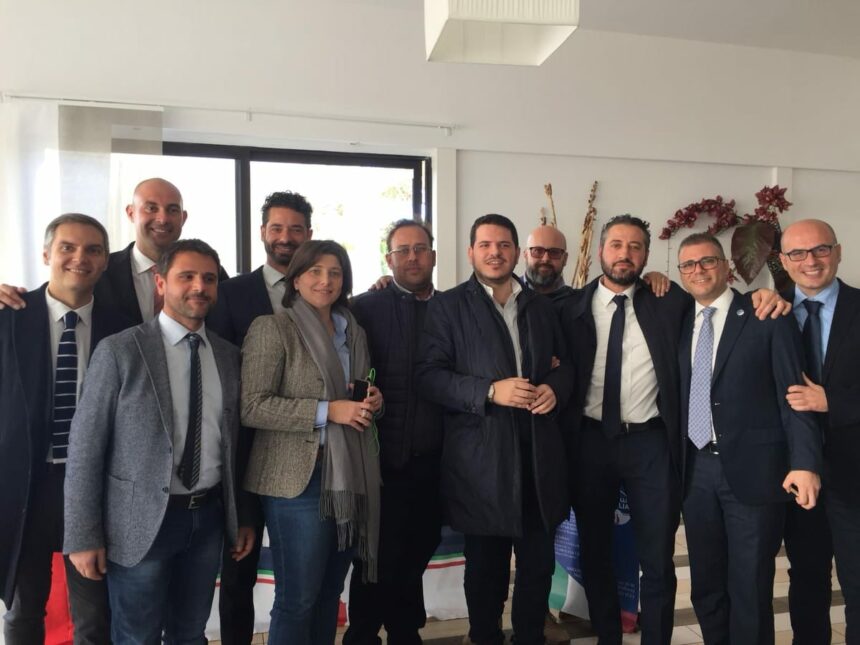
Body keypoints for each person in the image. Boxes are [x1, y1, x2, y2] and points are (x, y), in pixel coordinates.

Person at [557, 214, 789, 645]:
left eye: (635, 247)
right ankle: (609, 635)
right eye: (617, 244)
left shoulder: (669, 301)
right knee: (596, 551)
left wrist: (764, 294)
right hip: (590, 442)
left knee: (657, 557)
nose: (625, 254)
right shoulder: (569, 308)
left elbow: (720, 303)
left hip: (652, 444)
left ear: (647, 256)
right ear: (601, 250)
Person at [63, 239, 257, 644]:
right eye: (187, 276)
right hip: (138, 523)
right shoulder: (119, 350)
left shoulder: (228, 356)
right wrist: (82, 536)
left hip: (207, 519)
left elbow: (235, 447)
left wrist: (241, 516)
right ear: (161, 283)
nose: (199, 287)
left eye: (209, 278)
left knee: (190, 633)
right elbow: (84, 448)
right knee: (137, 636)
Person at [416, 214, 574, 645]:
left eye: (503, 245)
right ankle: (484, 636)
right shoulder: (448, 306)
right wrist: (489, 391)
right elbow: (429, 377)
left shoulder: (540, 306)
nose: (495, 253)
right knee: (485, 569)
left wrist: (555, 389)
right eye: (485, 245)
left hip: (539, 457)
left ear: (516, 253)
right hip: (481, 461)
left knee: (537, 567)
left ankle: (529, 636)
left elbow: (565, 365)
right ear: (471, 252)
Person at [677, 232, 821, 644]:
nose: (699, 270)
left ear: (726, 267)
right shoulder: (678, 320)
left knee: (750, 587)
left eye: (708, 261)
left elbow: (794, 397)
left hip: (755, 472)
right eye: (688, 265)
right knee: (706, 584)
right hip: (695, 470)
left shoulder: (766, 316)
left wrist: (804, 462)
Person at [240, 240, 383, 645]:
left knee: (328, 594)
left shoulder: (353, 331)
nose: (325, 280)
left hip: (348, 474)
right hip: (298, 480)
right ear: (296, 279)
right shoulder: (273, 328)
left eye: (335, 273)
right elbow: (252, 406)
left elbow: (356, 394)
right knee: (298, 600)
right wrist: (327, 411)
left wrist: (374, 401)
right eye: (315, 271)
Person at [0, 214, 127, 645]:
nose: (80, 258)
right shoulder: (9, 316)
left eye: (93, 250)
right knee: (23, 611)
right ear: (46, 254)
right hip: (27, 486)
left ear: (105, 261)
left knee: (94, 617)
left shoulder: (122, 327)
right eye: (67, 248)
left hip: (94, 487)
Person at [207, 190, 314, 645]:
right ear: (263, 232)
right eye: (277, 227)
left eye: (295, 229)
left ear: (309, 234)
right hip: (244, 454)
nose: (285, 237)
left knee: (301, 578)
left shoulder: (323, 291)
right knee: (239, 571)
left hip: (305, 458)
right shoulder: (230, 293)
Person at [344, 219, 443, 645]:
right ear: (389, 259)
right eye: (403, 250)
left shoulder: (453, 307)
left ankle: (405, 630)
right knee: (376, 557)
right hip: (380, 459)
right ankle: (363, 634)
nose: (412, 258)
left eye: (420, 249)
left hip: (437, 461)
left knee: (417, 549)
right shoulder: (365, 308)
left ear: (433, 255)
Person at [781, 219, 860, 644]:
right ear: (783, 261)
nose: (810, 261)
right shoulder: (767, 312)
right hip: (795, 474)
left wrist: (833, 401)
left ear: (838, 252)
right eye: (798, 253)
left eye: (821, 249)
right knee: (807, 581)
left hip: (854, 475)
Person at [0, 177, 227, 317]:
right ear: (131, 213)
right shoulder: (97, 269)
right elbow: (57, 300)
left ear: (183, 218)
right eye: (151, 208)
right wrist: (5, 296)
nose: (162, 218)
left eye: (172, 210)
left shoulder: (211, 275)